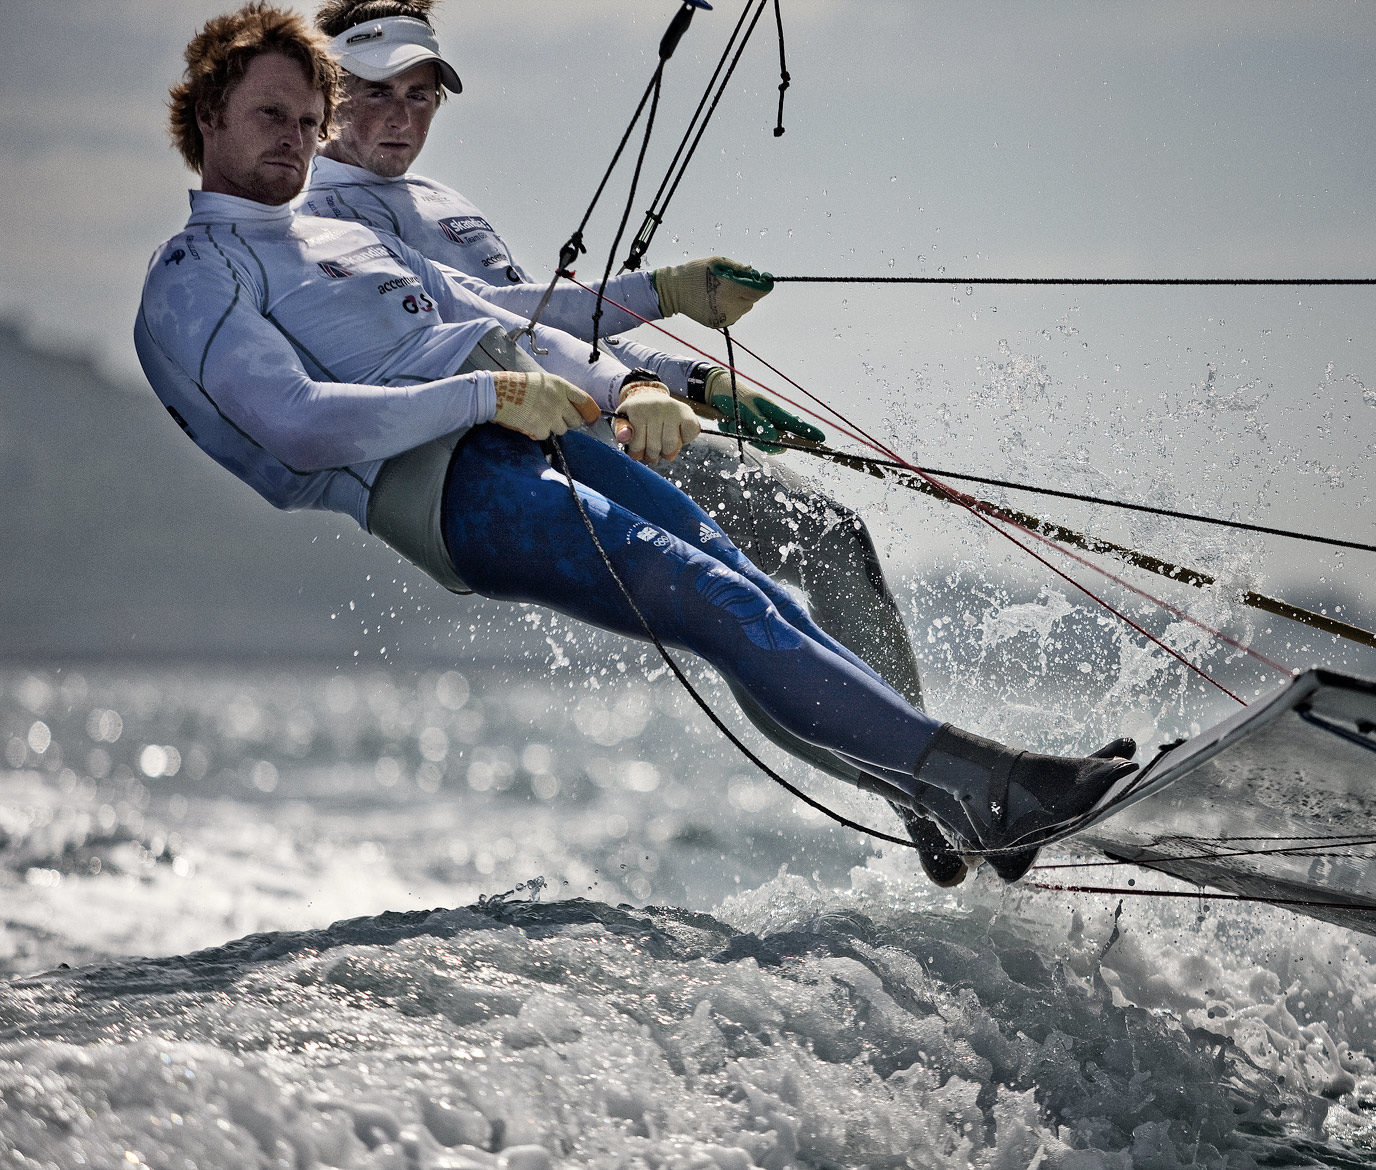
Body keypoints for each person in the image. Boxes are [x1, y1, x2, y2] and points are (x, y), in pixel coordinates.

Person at [134, 3, 1137, 882]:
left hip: (526, 429)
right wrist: (489, 392)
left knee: (745, 588)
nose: (300, 141)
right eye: (276, 117)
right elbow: (301, 427)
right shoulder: (195, 275)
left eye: (310, 122)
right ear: (208, 114)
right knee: (706, 601)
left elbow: (502, 321)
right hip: (442, 485)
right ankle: (989, 790)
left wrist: (644, 380)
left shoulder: (335, 237)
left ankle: (966, 791)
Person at [301, 0, 973, 883]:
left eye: (422, 95)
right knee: (735, 611)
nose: (402, 118)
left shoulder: (440, 203)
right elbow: (503, 327)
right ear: (325, 92)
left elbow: (559, 330)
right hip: (519, 463)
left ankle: (931, 789)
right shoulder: (318, 218)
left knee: (833, 534)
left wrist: (695, 383)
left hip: (611, 421)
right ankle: (933, 789)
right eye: (377, 94)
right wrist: (659, 309)